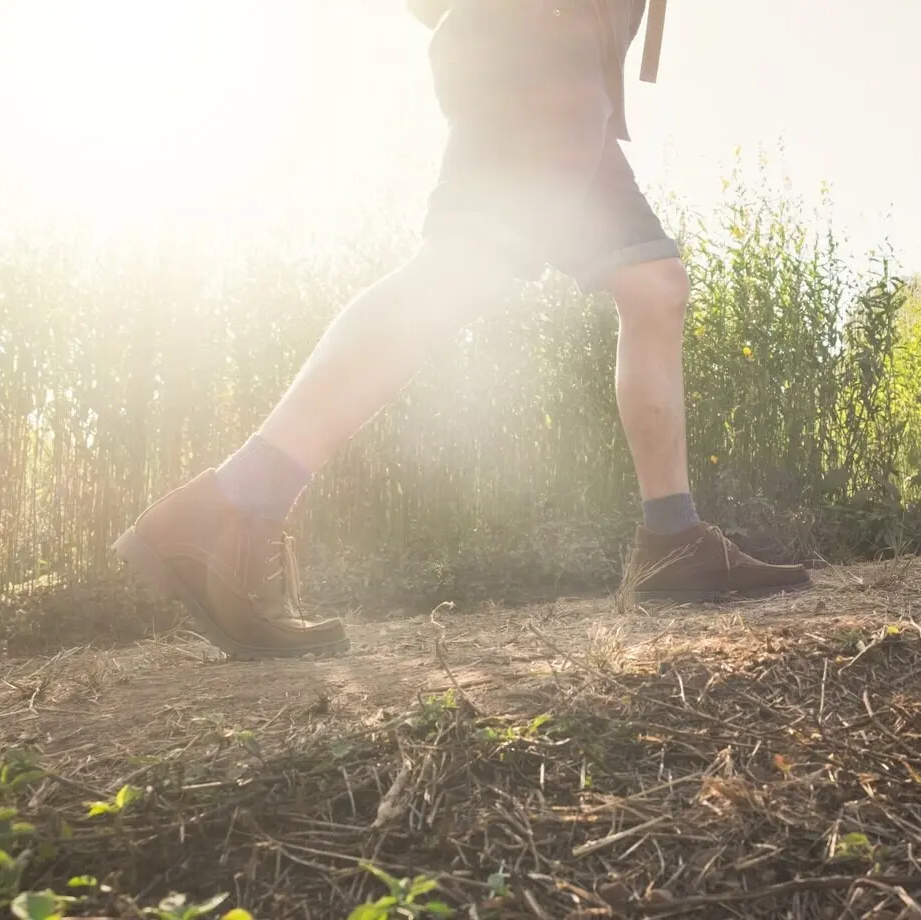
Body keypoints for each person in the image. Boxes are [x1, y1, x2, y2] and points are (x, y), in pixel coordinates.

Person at [111, 0, 810, 660]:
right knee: (463, 266)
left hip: (570, 55)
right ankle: (232, 506)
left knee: (653, 284)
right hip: (537, 37)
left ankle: (673, 537)